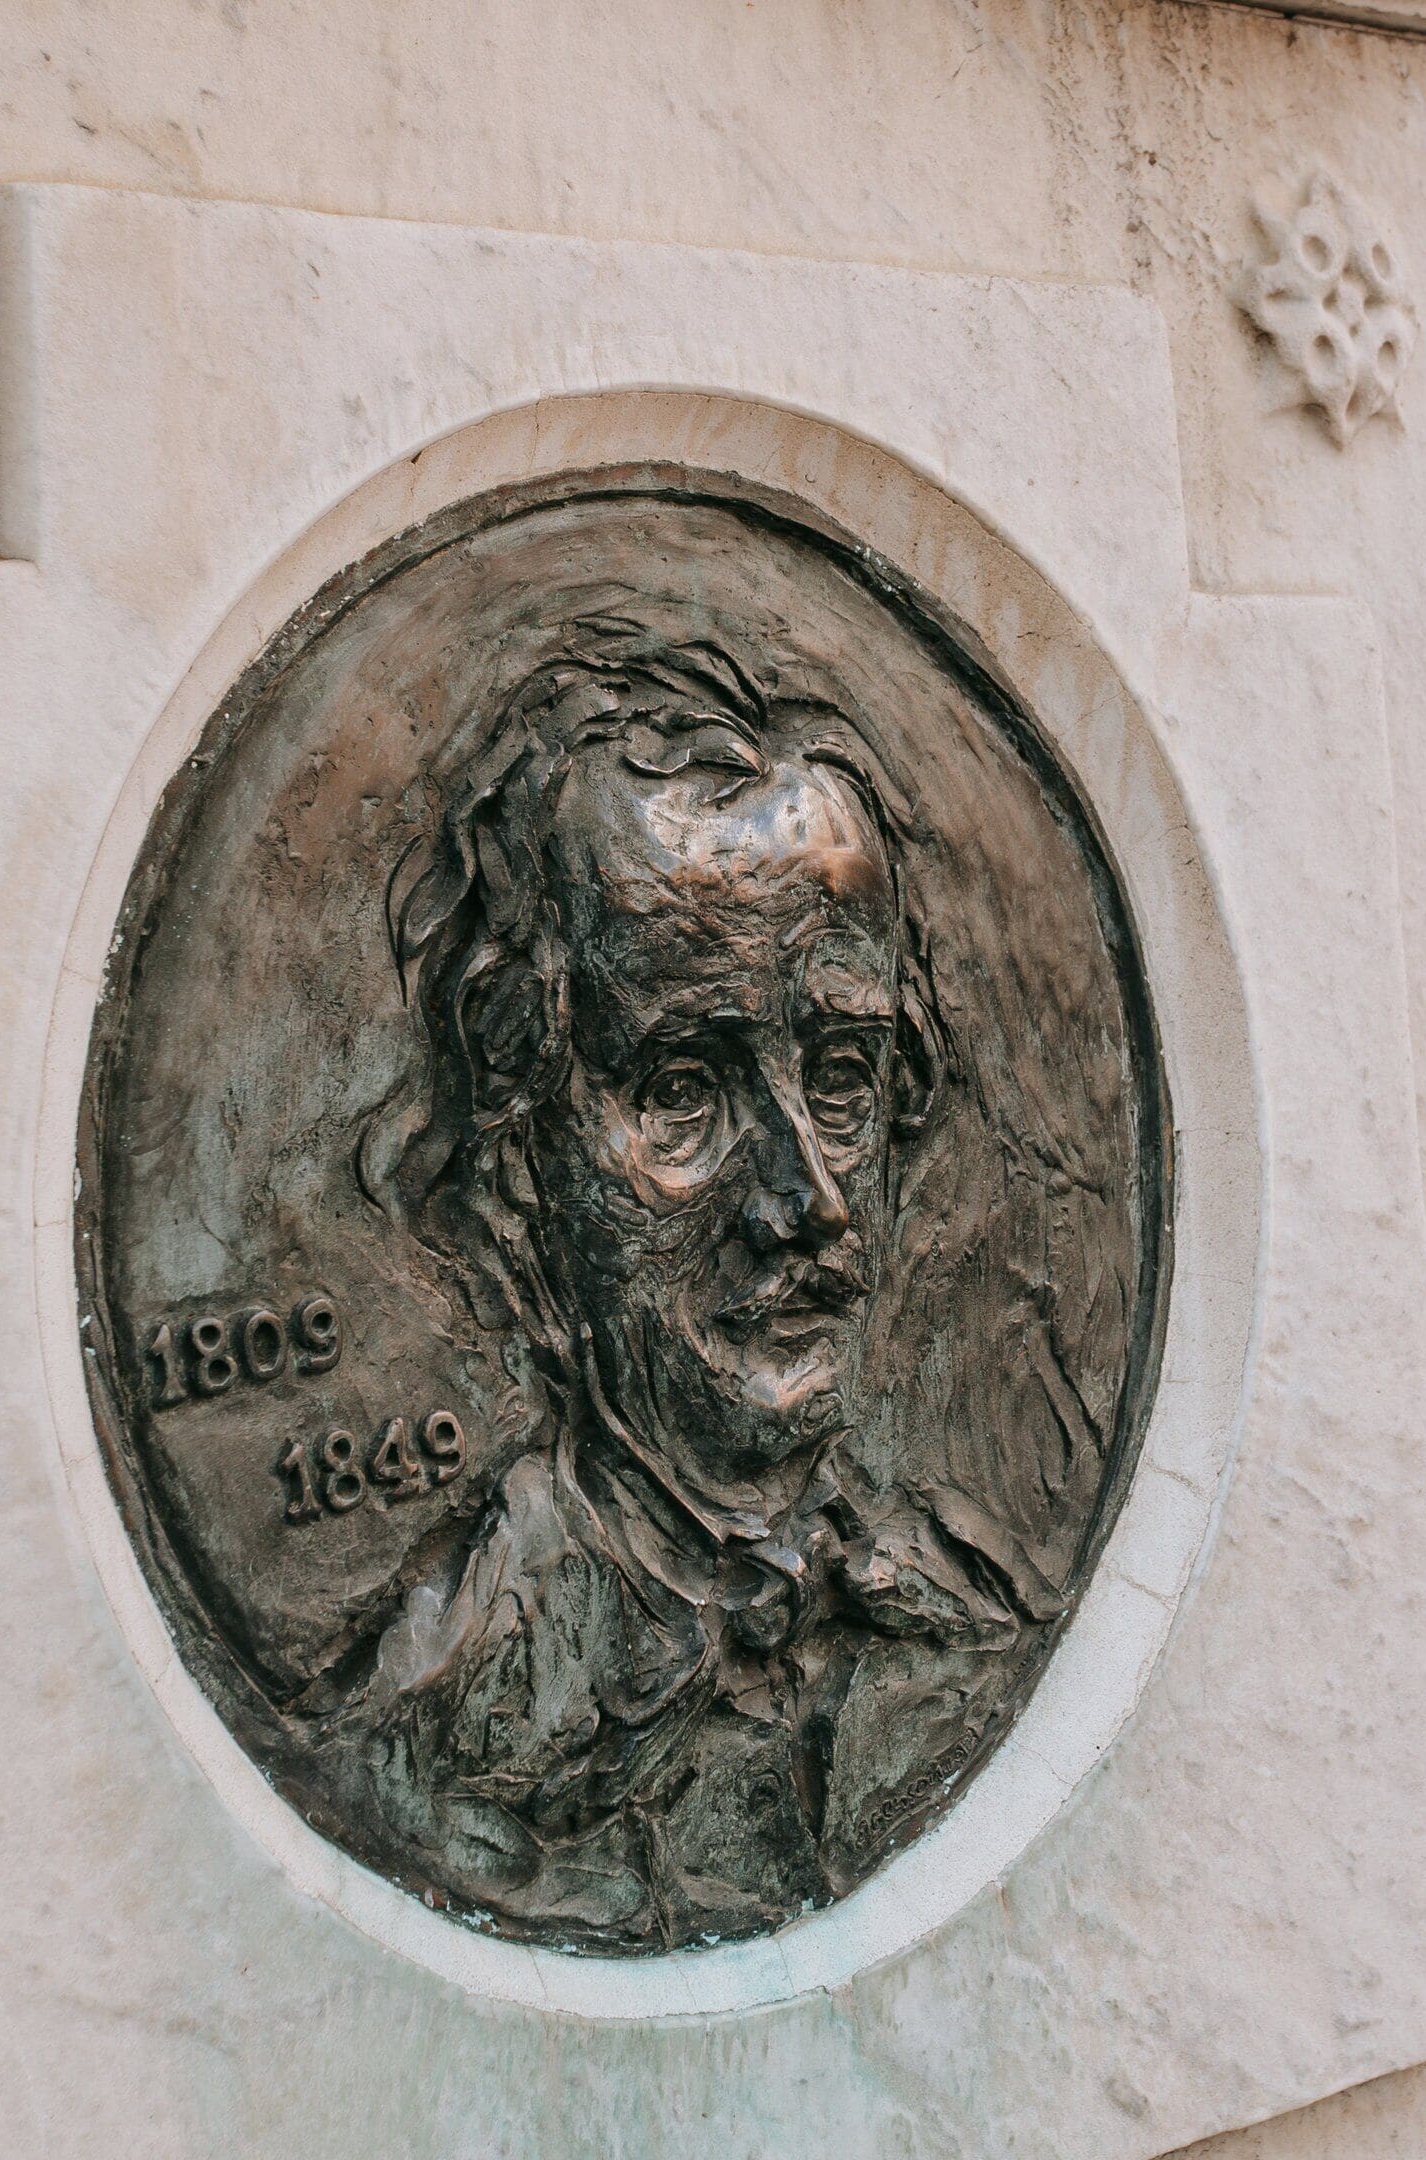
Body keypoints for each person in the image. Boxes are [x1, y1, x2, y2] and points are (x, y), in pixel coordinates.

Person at [333, 598, 1039, 1950]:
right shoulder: (433, 1730)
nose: (809, 1202)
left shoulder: (965, 1628)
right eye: (682, 1090)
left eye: (839, 1078)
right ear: (516, 1174)